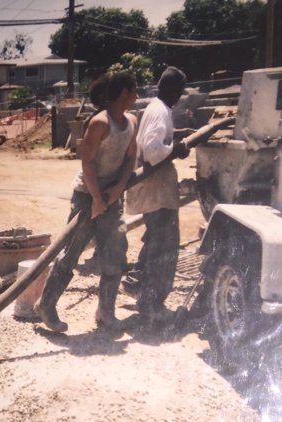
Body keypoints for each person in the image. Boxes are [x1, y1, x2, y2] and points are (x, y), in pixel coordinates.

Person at [34, 73, 138, 332]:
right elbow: (87, 164)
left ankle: (106, 312)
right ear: (123, 93)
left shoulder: (132, 122)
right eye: (134, 91)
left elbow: (130, 159)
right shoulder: (99, 123)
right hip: (86, 196)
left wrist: (118, 189)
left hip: (112, 197)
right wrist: (95, 198)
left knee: (115, 251)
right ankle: (45, 305)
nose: (137, 97)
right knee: (72, 253)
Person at [123, 66, 190, 317]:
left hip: (156, 191)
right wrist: (176, 149)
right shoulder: (160, 112)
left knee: (155, 242)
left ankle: (141, 290)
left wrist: (177, 137)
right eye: (180, 91)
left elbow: (155, 141)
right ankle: (152, 304)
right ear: (175, 91)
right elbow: (152, 152)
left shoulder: (156, 108)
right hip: (156, 191)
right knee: (165, 247)